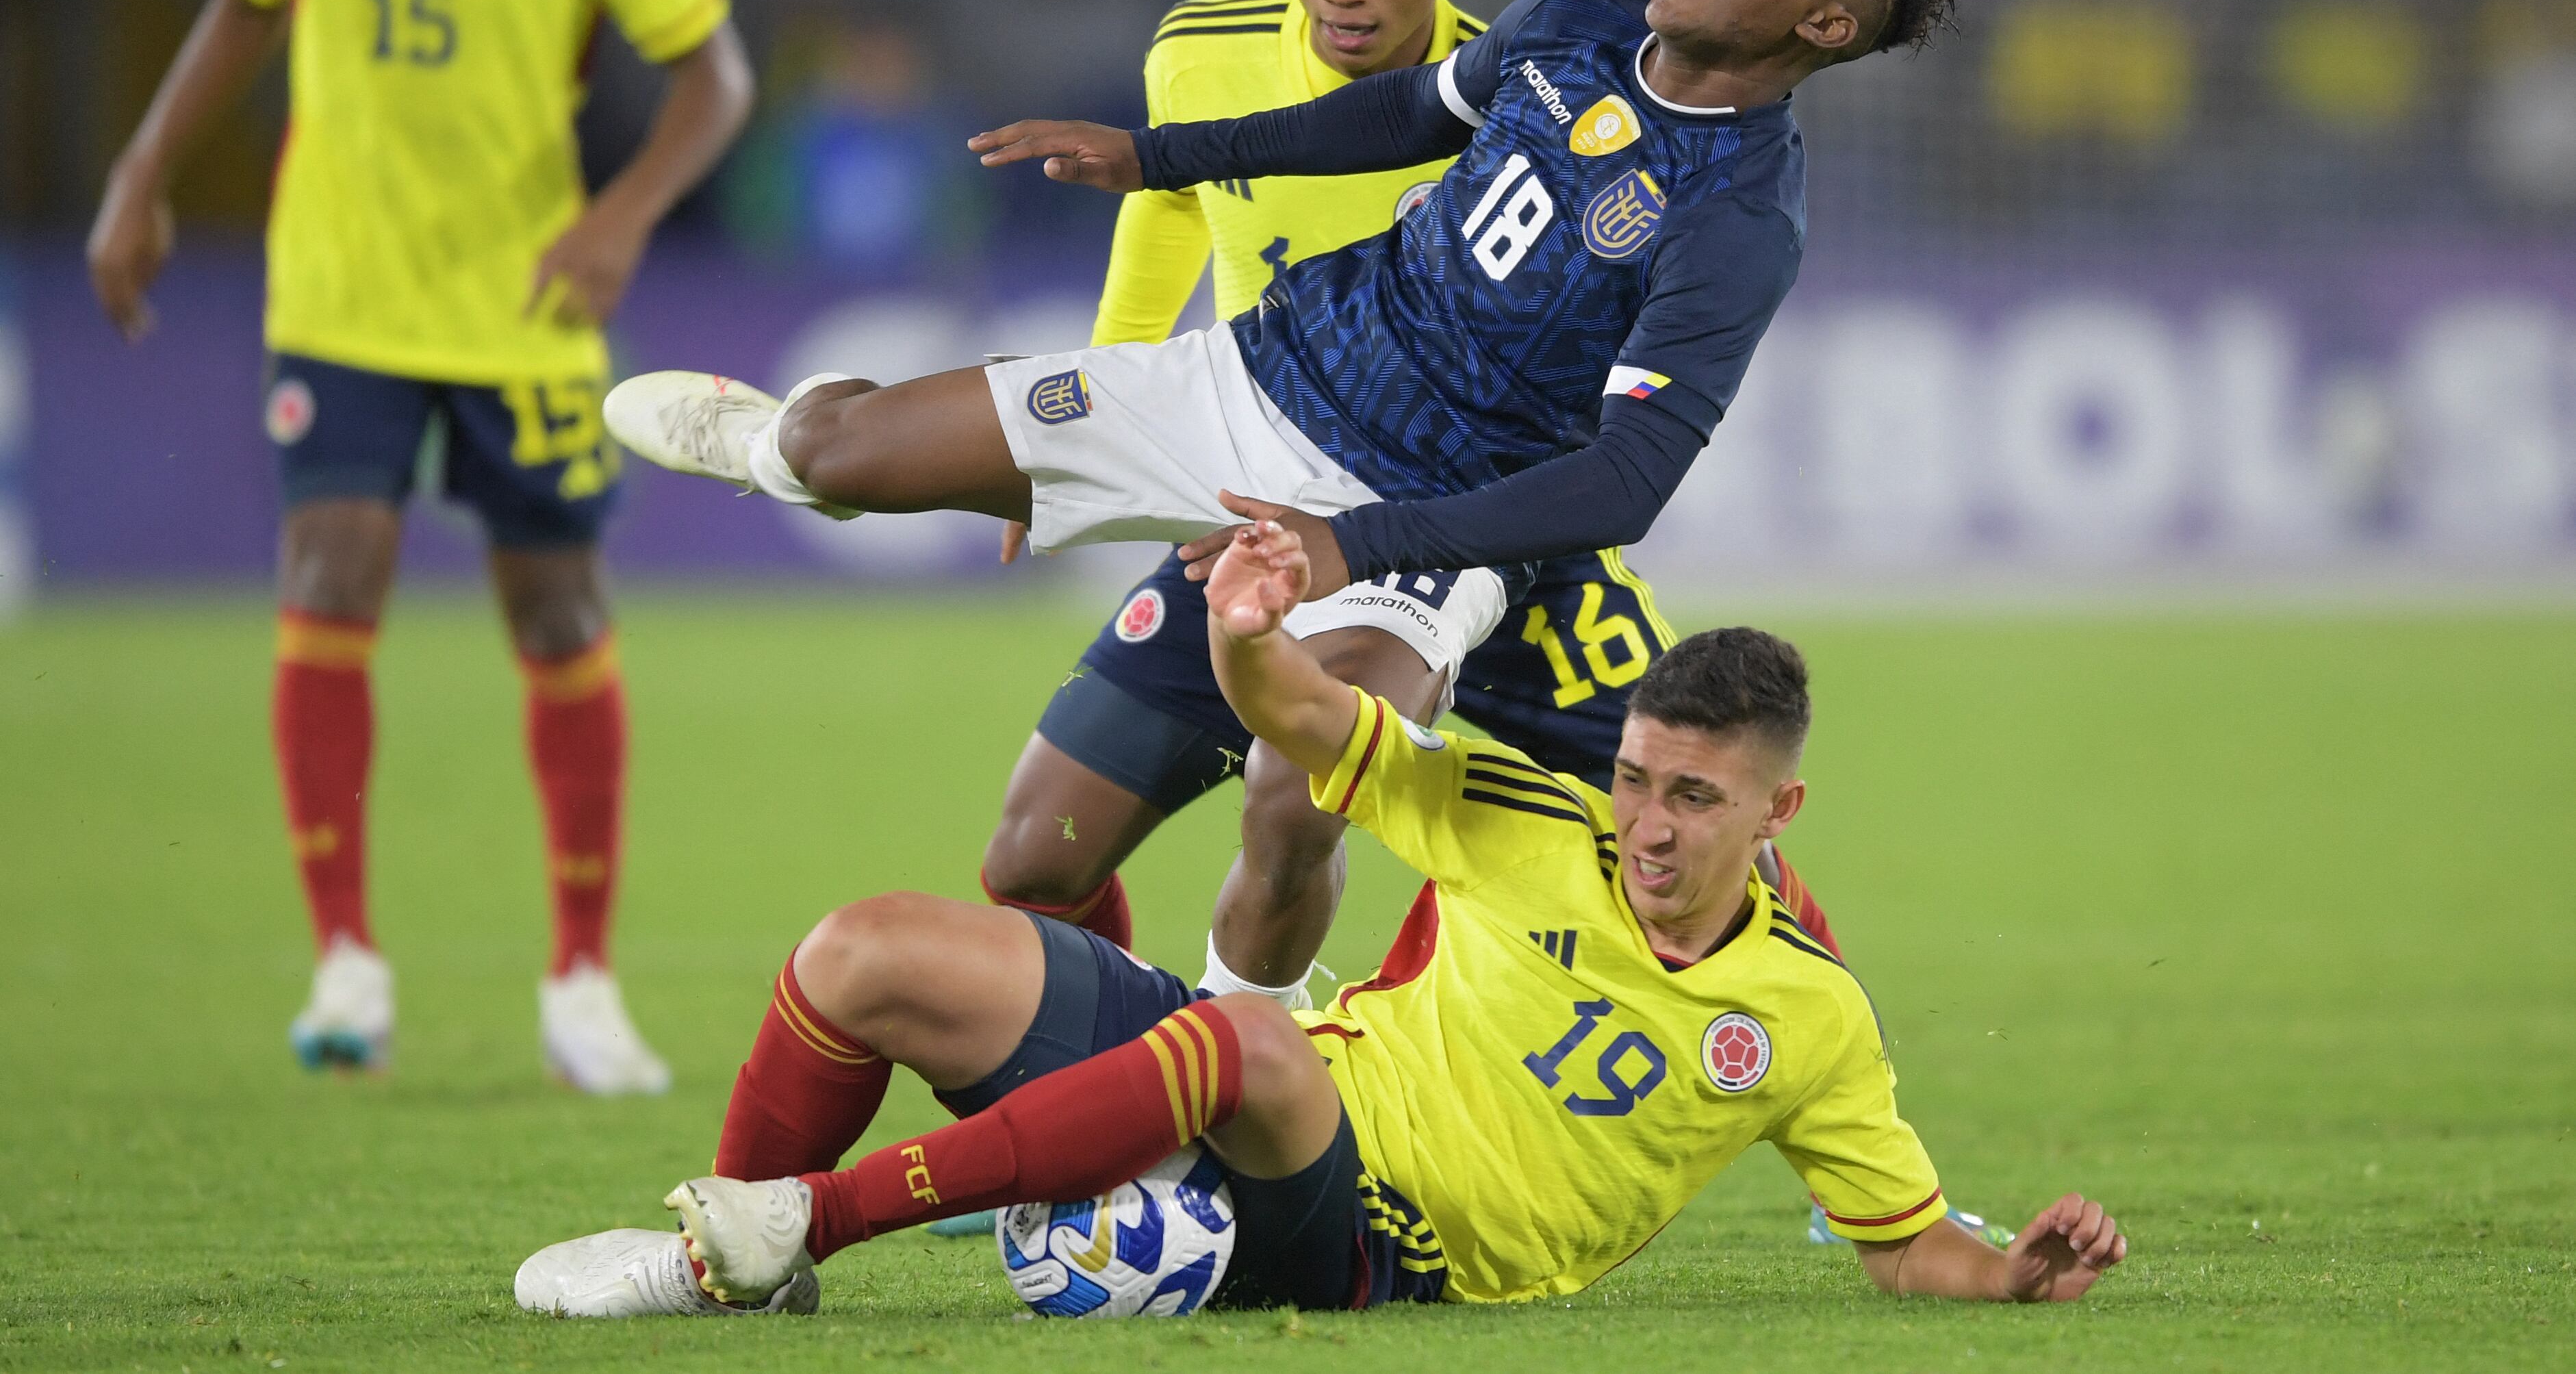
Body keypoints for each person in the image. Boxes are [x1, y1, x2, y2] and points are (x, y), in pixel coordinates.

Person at [606, 0, 1952, 1002]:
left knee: (1295, 786)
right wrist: (1159, 156)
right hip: (1259, 375)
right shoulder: (1574, 21)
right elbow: (1401, 116)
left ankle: (1241, 1063)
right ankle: (767, 445)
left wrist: (1349, 544)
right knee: (979, 748)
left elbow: (1629, 479)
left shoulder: (1736, 217)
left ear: (1825, 25)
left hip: (1423, 532)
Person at [513, 519, 2124, 1316]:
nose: (1642, 823)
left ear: (1777, 814)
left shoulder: (1809, 1016)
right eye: (1633, 777)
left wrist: (2015, 1270)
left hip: (1369, 1235)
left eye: (1691, 801)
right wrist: (1242, 629)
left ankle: (779, 1230)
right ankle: (764, 1250)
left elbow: (1907, 1240)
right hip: (1261, 1077)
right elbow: (1302, 720)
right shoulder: (1525, 818)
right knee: (864, 945)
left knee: (1254, 1049)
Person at [976, 0, 1841, 1010]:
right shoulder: (1199, 54)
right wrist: (1078, 436)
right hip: (1264, 485)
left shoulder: (1543, 83)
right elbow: (1166, 206)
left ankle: (1849, 1100)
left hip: (1479, 537)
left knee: (1698, 816)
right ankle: (1112, 1110)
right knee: (1031, 858)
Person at [84, 0, 753, 1090]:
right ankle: (345, 958)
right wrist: (138, 174)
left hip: (524, 310)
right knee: (327, 576)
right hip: (338, 295)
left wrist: (627, 212)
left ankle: (582, 978)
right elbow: (242, 11)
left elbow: (714, 74)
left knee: (559, 614)